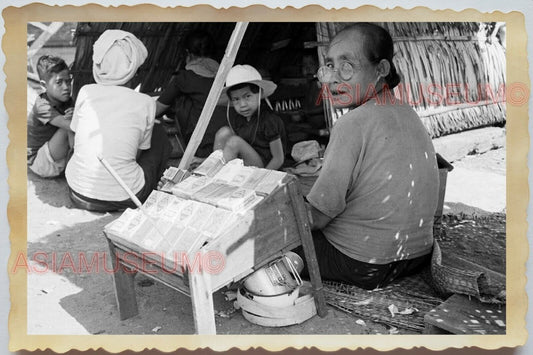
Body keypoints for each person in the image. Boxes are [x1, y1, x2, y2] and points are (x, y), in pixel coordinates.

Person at [299, 23, 440, 290]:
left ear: (381, 70)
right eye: (329, 66)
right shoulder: (408, 113)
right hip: (418, 256)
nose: (333, 78)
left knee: (273, 237)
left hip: (363, 263)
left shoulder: (352, 124)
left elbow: (317, 217)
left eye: (347, 65)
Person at [65, 29, 171, 212]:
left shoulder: (85, 91)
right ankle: (157, 189)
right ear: (133, 67)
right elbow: (138, 153)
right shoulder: (145, 102)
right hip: (126, 197)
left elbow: (73, 141)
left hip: (77, 192)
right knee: (159, 132)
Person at [156, 30, 226, 158]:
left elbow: (156, 110)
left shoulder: (184, 78)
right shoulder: (227, 75)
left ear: (187, 53)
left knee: (177, 98)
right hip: (229, 140)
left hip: (203, 145)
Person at [214, 64, 286, 170]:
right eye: (236, 99)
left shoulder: (269, 120)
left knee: (234, 142)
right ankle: (214, 169)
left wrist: (261, 177)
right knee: (223, 133)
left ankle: (218, 174)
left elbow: (278, 159)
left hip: (264, 168)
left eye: (247, 96)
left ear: (260, 94)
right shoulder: (239, 119)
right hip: (246, 163)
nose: (243, 104)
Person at [27, 55, 74, 178]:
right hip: (39, 162)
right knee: (70, 125)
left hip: (53, 153)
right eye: (59, 82)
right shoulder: (42, 106)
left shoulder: (66, 100)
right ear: (44, 85)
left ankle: (75, 161)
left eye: (68, 81)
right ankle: (76, 163)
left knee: (72, 120)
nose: (66, 87)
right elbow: (71, 126)